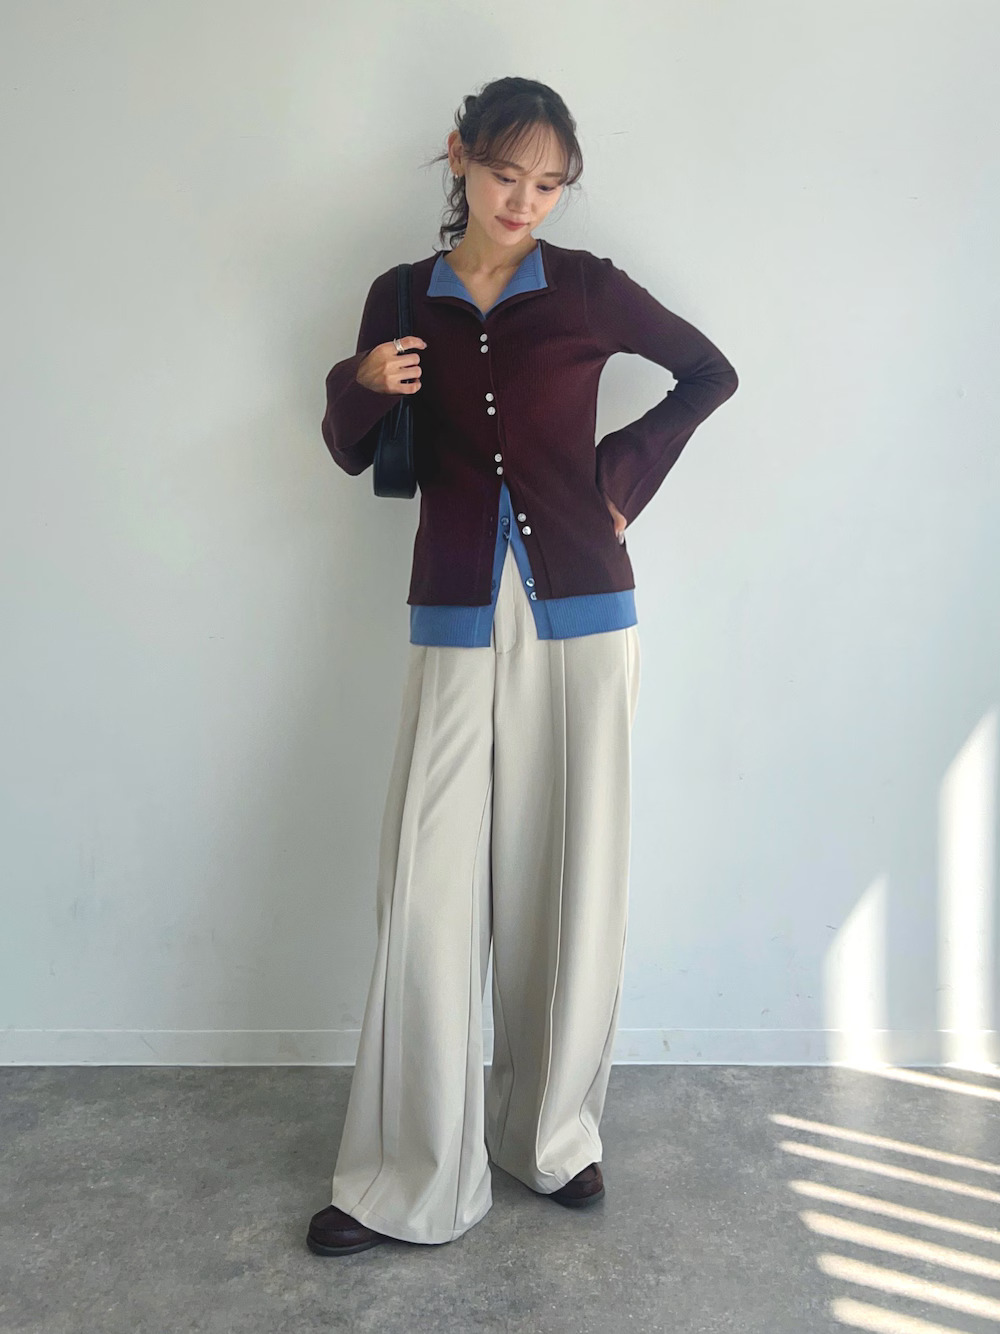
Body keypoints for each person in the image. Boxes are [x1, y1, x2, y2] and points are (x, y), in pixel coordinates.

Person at [306, 76, 738, 1257]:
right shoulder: (402, 295)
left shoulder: (587, 287)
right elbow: (346, 447)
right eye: (507, 175)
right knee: (426, 887)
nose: (524, 201)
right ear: (460, 156)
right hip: (453, 605)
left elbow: (709, 372)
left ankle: (550, 1135)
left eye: (548, 185)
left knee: (570, 870)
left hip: (586, 609)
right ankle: (410, 1172)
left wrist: (623, 475)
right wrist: (358, 384)